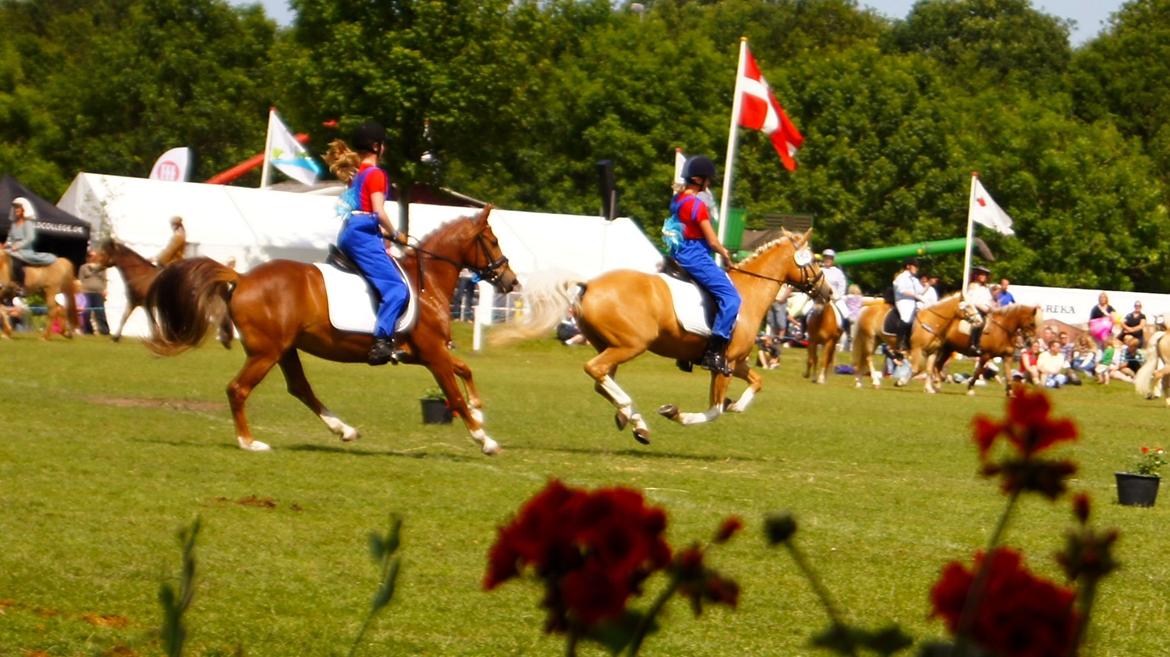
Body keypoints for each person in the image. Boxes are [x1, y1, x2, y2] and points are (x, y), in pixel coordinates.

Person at [324, 122, 410, 366]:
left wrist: (384, 235)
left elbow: (364, 210)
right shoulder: (376, 174)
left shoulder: (357, 175)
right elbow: (379, 212)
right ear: (376, 146)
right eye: (384, 144)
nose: (386, 148)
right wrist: (396, 233)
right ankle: (382, 341)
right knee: (396, 289)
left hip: (352, 230)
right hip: (363, 233)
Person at [670, 155, 740, 375]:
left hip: (675, 252)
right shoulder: (697, 206)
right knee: (731, 298)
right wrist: (726, 254)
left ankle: (687, 351)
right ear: (699, 179)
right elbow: (711, 241)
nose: (709, 184)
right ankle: (714, 353)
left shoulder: (677, 199)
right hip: (695, 256)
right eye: (707, 180)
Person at [3, 198, 56, 265]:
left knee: (14, 262)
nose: (16, 209)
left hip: (24, 251)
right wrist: (5, 245)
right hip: (11, 250)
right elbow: (10, 239)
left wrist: (17, 246)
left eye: (18, 207)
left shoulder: (27, 222)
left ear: (23, 209)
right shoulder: (14, 224)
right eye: (15, 208)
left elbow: (30, 238)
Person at [892, 258, 924, 353]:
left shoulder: (914, 279)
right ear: (908, 266)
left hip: (913, 301)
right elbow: (901, 290)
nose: (917, 269)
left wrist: (927, 285)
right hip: (903, 300)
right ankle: (900, 343)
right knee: (906, 318)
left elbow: (920, 290)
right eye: (915, 266)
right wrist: (915, 295)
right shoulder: (901, 277)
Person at [78, 249, 110, 335]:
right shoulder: (83, 267)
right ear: (88, 257)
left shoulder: (102, 267)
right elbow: (81, 280)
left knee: (100, 312)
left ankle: (105, 331)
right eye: (91, 256)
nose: (93, 257)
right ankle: (88, 331)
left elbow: (104, 280)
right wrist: (80, 292)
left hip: (98, 292)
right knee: (86, 312)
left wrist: (105, 290)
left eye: (95, 256)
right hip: (86, 292)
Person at [965, 265, 995, 355]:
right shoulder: (973, 286)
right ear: (977, 276)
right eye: (981, 275)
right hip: (974, 309)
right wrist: (982, 307)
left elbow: (989, 300)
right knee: (979, 322)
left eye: (985, 275)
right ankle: (974, 343)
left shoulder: (986, 288)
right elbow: (971, 300)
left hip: (986, 310)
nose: (983, 277)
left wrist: (990, 307)